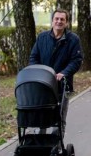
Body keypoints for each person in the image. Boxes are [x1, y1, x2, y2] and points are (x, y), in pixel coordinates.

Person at [29, 9, 83, 140]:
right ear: (52, 21)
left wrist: (64, 73)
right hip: (43, 84)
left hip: (62, 85)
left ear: (66, 23)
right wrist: (39, 72)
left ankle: (57, 147)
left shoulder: (73, 39)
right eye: (56, 19)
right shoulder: (42, 38)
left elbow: (76, 60)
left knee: (59, 118)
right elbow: (34, 57)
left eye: (62, 19)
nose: (59, 21)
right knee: (41, 115)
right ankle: (39, 146)